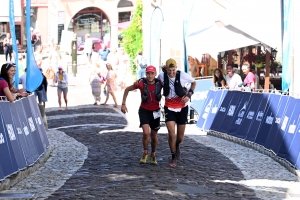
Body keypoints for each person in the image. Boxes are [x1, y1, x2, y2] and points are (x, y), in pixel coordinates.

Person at [158, 58, 196, 168]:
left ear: (176, 68)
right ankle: (173, 156)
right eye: (169, 71)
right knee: (171, 133)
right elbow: (156, 83)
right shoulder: (162, 76)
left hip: (182, 107)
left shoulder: (183, 75)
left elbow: (194, 82)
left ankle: (177, 145)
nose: (171, 73)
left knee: (180, 137)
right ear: (166, 69)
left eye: (173, 70)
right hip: (169, 107)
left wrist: (189, 95)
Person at [121, 66, 162, 165]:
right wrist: (123, 104)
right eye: (148, 73)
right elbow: (127, 90)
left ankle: (153, 154)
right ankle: (145, 152)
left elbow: (171, 86)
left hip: (156, 111)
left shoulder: (160, 83)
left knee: (154, 135)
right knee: (146, 133)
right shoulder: (141, 83)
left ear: (155, 74)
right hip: (144, 111)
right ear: (145, 74)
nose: (150, 76)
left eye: (152, 73)